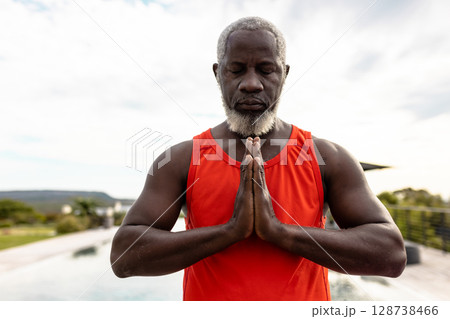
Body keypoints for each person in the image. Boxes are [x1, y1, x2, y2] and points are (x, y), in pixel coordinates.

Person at [110, 16, 406, 301]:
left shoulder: (328, 158)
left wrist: (278, 232)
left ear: (284, 74)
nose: (251, 83)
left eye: (266, 69)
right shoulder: (180, 160)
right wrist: (231, 231)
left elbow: (391, 256)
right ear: (218, 73)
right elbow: (123, 257)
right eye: (236, 69)